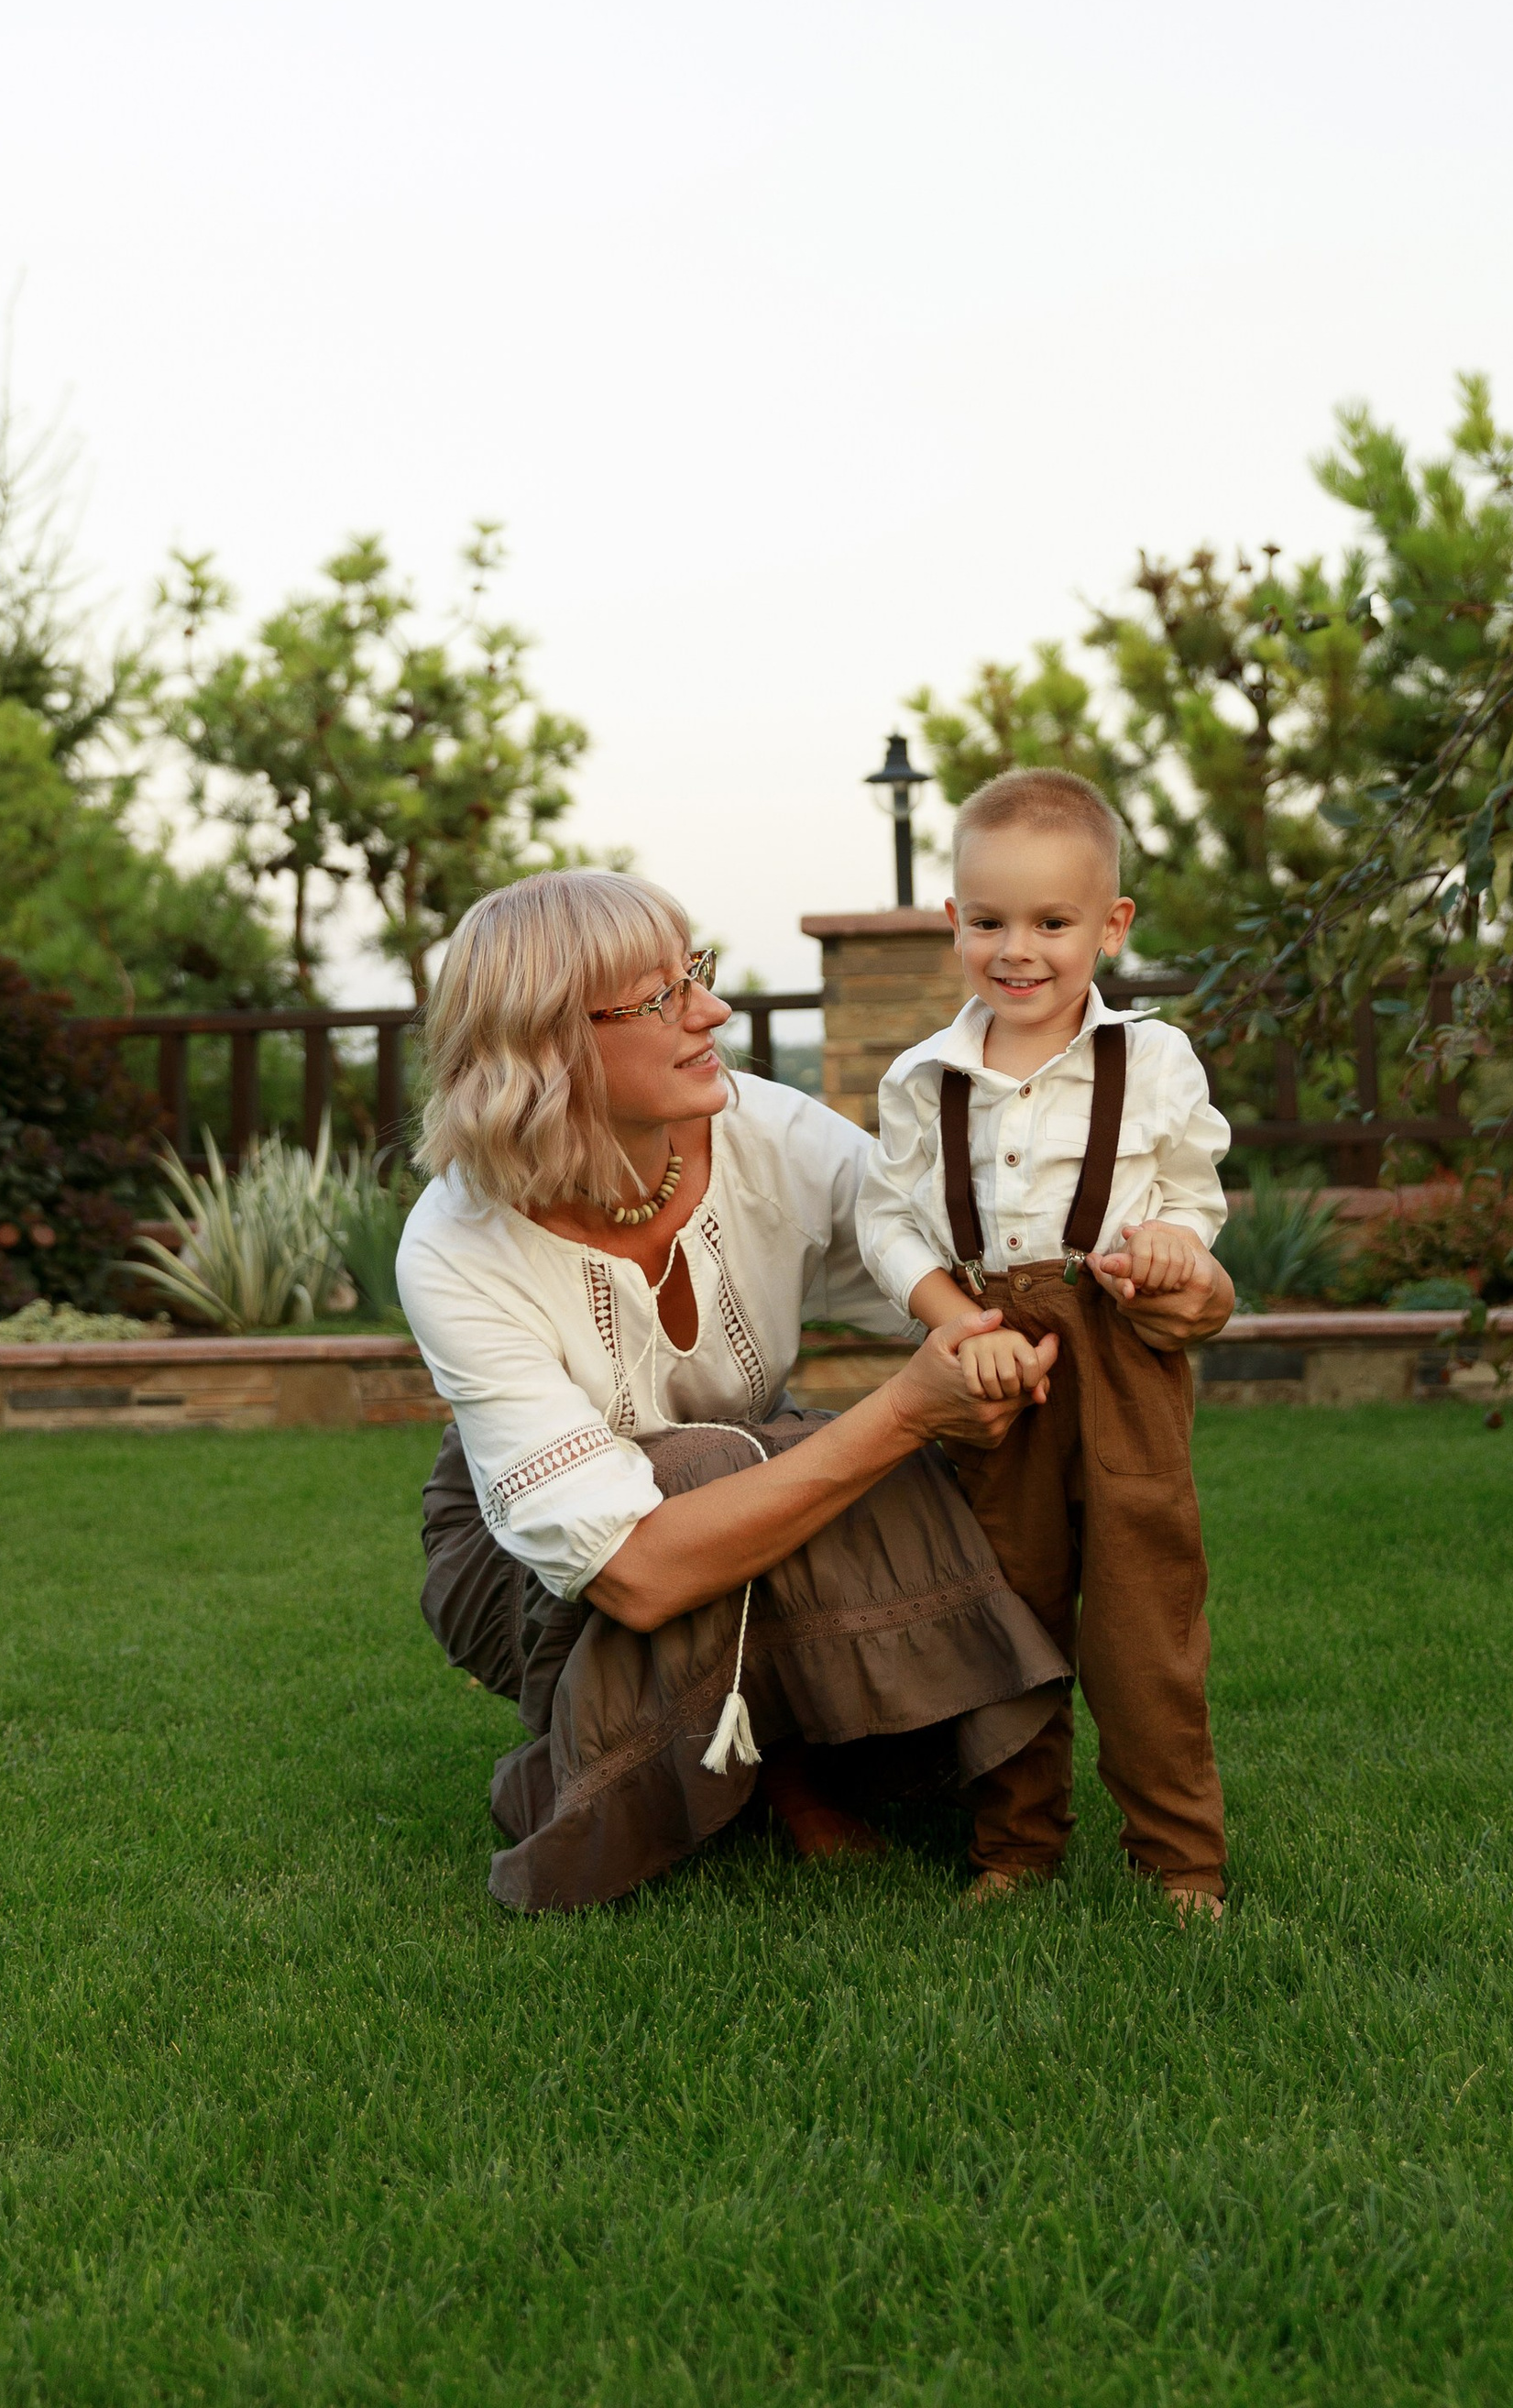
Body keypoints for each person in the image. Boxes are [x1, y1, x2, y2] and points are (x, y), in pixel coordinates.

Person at [398, 868, 1074, 1911]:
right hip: (523, 1569)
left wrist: (1158, 1262)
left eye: (695, 974)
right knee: (737, 1458)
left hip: (743, 1502)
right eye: (659, 997)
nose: (711, 1010)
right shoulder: (457, 1243)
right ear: (548, 1042)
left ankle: (769, 1763)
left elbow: (966, 1269)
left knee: (781, 1460)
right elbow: (628, 1574)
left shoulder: (772, 1137)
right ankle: (703, 1782)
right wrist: (901, 1415)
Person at [855, 767, 1237, 1912]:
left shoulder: (1151, 1061)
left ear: (1109, 926)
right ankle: (1015, 1844)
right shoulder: (924, 1081)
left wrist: (1171, 1242)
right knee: (1002, 1606)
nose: (1016, 950)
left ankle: (1179, 1858)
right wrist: (951, 1321)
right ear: (953, 924)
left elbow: (1193, 1192)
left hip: (1116, 1345)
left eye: (1051, 923)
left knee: (1141, 1611)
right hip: (987, 1358)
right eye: (988, 922)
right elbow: (888, 1216)